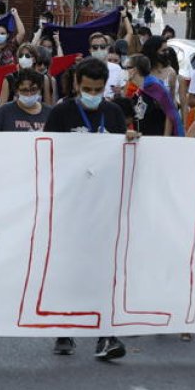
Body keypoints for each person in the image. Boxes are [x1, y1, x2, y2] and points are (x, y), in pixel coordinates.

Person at [42, 57, 139, 360]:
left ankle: (105, 335)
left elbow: (122, 156)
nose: (92, 94)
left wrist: (130, 141)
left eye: (98, 89)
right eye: (87, 88)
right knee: (69, 269)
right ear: (76, 85)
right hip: (70, 205)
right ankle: (64, 329)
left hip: (104, 205)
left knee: (104, 271)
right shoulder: (61, 113)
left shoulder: (112, 113)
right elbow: (46, 153)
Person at [121, 54, 182, 137]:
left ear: (134, 70)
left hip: (158, 139)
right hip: (144, 138)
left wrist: (166, 137)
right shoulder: (140, 89)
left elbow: (170, 112)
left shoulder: (155, 86)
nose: (124, 71)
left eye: (127, 68)